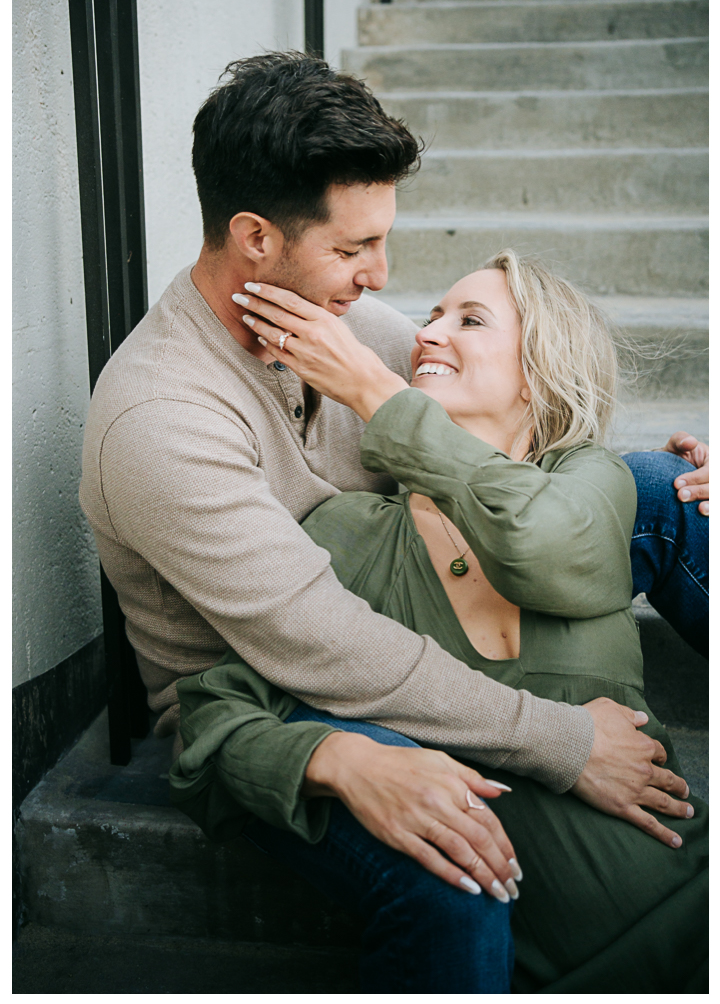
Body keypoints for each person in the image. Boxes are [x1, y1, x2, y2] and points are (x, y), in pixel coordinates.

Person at [79, 52, 707, 992]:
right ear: (254, 236)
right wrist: (564, 739)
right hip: (273, 699)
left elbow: (507, 423)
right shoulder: (160, 421)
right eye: (353, 249)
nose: (381, 279)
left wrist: (654, 478)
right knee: (451, 853)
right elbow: (319, 644)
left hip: (398, 589)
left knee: (663, 494)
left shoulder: (332, 314)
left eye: (383, 241)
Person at [171, 251, 708, 992]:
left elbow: (540, 542)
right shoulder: (350, 532)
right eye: (430, 318)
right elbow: (211, 721)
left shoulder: (594, 480)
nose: (426, 336)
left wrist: (373, 390)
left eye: (470, 319)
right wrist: (341, 762)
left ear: (541, 369)